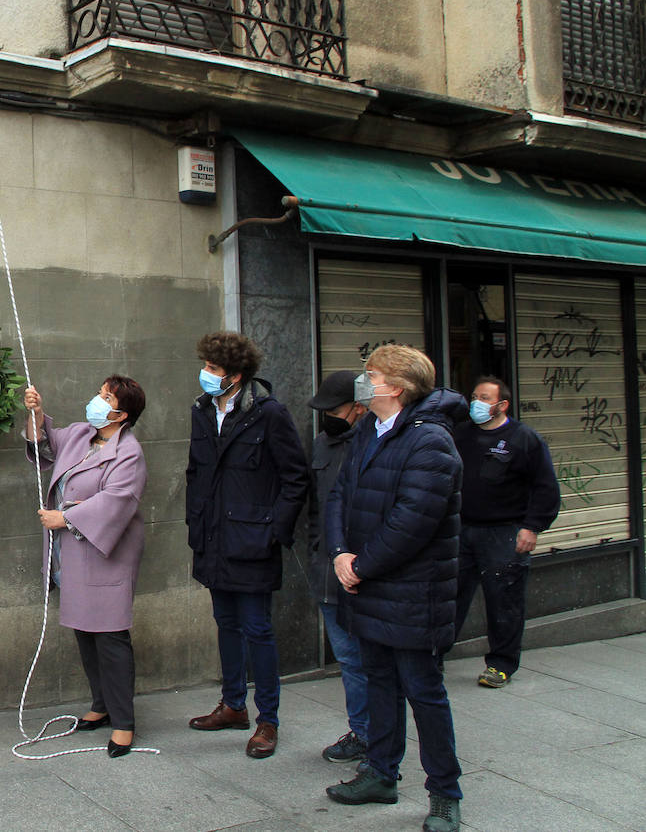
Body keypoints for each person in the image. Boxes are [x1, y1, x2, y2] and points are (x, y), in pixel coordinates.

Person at [324, 345, 464, 832]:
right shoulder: (368, 429)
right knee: (380, 682)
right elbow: (340, 493)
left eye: (371, 375)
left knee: (424, 692)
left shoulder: (431, 442)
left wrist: (360, 565)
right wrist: (340, 552)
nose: (363, 382)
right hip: (367, 583)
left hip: (412, 591)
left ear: (396, 388)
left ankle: (445, 793)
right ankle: (380, 774)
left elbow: (413, 522)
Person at [184, 331, 308, 759]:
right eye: (205, 366)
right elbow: (196, 474)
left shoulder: (269, 413)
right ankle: (233, 705)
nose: (205, 375)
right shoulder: (202, 411)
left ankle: (267, 720)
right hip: (214, 539)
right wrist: (196, 523)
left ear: (236, 375)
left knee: (258, 629)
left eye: (214, 369)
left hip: (254, 540)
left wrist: (275, 530)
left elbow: (296, 477)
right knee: (227, 624)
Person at [23, 376, 148, 758]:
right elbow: (43, 444)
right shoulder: (79, 435)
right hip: (72, 556)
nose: (96, 399)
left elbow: (119, 500)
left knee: (110, 636)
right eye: (99, 392)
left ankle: (124, 723)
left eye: (106, 397)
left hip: (104, 555)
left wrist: (66, 518)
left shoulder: (129, 453)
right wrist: (38, 413)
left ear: (121, 414)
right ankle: (101, 705)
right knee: (84, 632)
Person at [452, 376, 560, 688]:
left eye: (485, 398)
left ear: (502, 405)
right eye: (474, 396)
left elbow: (546, 488)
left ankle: (501, 664)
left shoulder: (524, 439)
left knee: (504, 601)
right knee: (448, 598)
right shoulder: (460, 435)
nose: (477, 403)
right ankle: (432, 658)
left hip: (504, 533)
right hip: (462, 530)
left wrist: (532, 527)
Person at [305, 370, 369, 764]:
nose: (326, 415)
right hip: (329, 571)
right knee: (348, 659)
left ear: (359, 407)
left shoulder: (378, 443)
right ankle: (362, 732)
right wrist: (319, 551)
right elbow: (315, 508)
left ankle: (380, 739)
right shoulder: (321, 446)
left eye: (334, 408)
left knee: (372, 662)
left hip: (368, 572)